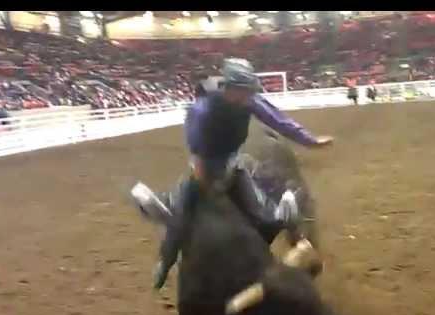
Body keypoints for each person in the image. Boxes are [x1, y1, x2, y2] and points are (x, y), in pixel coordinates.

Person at [132, 58, 333, 289]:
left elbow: (279, 121)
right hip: (202, 167)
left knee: (261, 213)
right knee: (180, 218)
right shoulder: (202, 109)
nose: (250, 96)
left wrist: (310, 140)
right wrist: (200, 168)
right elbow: (194, 140)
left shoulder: (248, 102)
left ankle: (281, 222)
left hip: (232, 166)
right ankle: (165, 263)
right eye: (246, 91)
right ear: (232, 88)